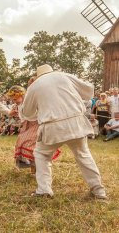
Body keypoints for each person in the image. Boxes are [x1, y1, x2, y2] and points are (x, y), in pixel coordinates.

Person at [21, 64, 106, 199]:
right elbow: (89, 91)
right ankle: (99, 191)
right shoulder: (64, 76)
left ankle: (44, 190)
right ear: (51, 71)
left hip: (52, 126)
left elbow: (27, 113)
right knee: (83, 155)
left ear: (38, 75)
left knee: (42, 154)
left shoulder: (34, 86)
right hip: (76, 123)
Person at [7, 85, 60, 174]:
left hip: (36, 124)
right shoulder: (18, 105)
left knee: (30, 145)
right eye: (12, 100)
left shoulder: (30, 102)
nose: (14, 101)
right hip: (26, 125)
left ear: (22, 95)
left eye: (15, 99)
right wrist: (13, 114)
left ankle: (37, 167)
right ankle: (32, 167)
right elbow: (22, 117)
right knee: (21, 142)